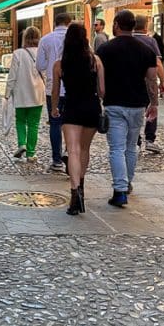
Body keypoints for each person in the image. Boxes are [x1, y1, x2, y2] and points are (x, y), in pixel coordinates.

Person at [97, 9, 159, 207]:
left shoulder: (105, 50)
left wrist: (101, 94)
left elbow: (98, 78)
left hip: (114, 103)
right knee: (131, 146)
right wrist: (154, 103)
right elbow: (151, 80)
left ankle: (120, 190)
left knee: (116, 148)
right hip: (137, 104)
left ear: (116, 24)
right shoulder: (146, 51)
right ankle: (128, 183)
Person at [51, 23, 104, 214]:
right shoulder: (95, 61)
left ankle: (74, 194)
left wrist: (55, 108)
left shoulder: (60, 64)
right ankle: (81, 186)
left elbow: (55, 91)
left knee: (72, 151)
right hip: (91, 107)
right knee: (84, 150)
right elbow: (102, 91)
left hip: (71, 108)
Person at [36, 11, 72, 172]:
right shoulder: (77, 39)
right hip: (73, 88)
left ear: (55, 23)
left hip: (53, 88)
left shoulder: (45, 39)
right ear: (69, 23)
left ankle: (56, 159)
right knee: (72, 123)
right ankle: (70, 154)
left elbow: (40, 66)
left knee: (55, 123)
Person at [6, 26, 45, 164]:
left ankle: (21, 143)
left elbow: (12, 76)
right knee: (34, 124)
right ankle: (31, 153)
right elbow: (45, 73)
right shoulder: (42, 52)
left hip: (21, 92)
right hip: (37, 93)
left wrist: (7, 92)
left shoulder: (18, 53)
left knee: (20, 120)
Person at [134, 14, 164, 154]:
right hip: (148, 80)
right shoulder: (150, 41)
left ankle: (136, 139)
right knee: (152, 107)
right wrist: (162, 81)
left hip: (132, 82)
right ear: (146, 26)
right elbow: (157, 63)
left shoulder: (127, 39)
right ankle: (150, 139)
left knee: (135, 110)